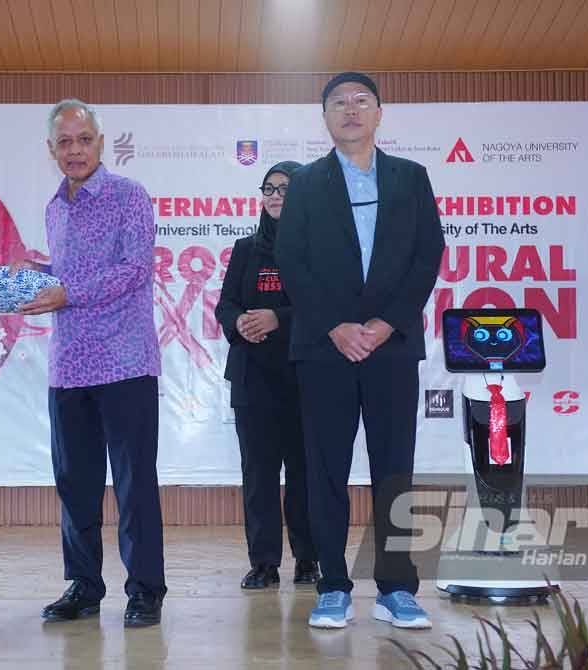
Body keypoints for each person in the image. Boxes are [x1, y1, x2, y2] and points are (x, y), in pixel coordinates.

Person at [275, 72, 445, 629]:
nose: (350, 110)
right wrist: (337, 327)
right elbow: (292, 262)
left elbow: (426, 256)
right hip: (326, 349)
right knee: (325, 469)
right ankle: (332, 585)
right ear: (324, 118)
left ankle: (398, 588)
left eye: (361, 101)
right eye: (338, 104)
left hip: (391, 347)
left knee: (394, 468)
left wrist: (383, 324)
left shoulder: (411, 178)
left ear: (378, 113)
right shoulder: (303, 184)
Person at [11, 99, 166, 628]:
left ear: (101, 143)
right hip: (69, 365)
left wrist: (62, 291)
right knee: (74, 483)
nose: (74, 151)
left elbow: (134, 270)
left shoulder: (129, 196)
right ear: (50, 150)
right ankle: (83, 586)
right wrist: (31, 277)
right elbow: (64, 274)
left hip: (125, 361)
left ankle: (145, 590)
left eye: (84, 140)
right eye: (64, 142)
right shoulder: (55, 207)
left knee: (133, 484)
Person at [215, 161, 319, 590]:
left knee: (304, 474)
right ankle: (263, 563)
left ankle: (308, 559)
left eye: (285, 189)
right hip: (253, 377)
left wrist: (278, 318)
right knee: (257, 474)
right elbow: (225, 304)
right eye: (269, 189)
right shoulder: (246, 248)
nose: (275, 196)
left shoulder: (318, 248)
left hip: (302, 376)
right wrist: (239, 321)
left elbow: (324, 309)